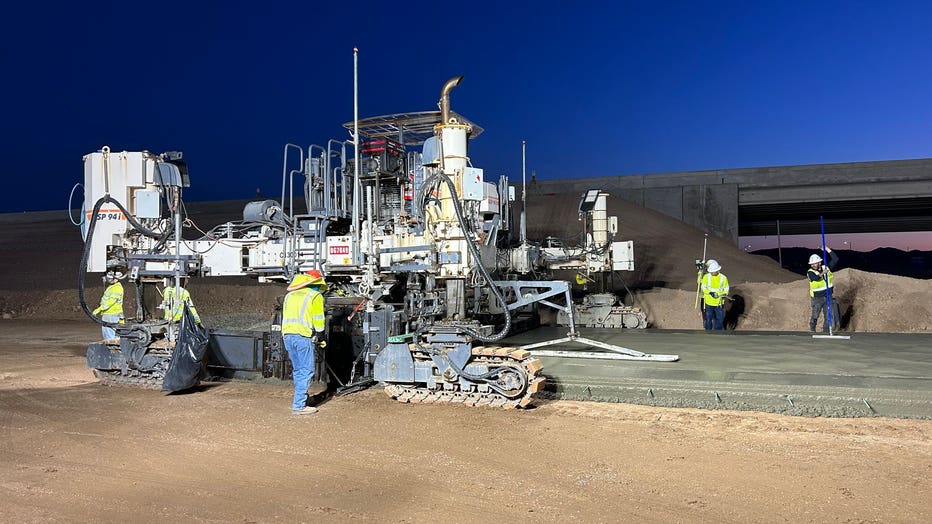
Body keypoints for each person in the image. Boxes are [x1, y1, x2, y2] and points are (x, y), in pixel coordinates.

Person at [281, 270, 328, 416]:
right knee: (307, 370)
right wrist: (321, 336)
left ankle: (302, 399)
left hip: (288, 336)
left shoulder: (289, 295)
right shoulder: (315, 296)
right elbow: (319, 319)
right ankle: (299, 405)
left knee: (298, 370)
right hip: (302, 336)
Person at [807, 247, 840, 333]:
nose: (813, 265)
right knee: (815, 314)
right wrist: (823, 273)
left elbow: (835, 259)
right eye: (812, 264)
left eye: (815, 263)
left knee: (828, 315)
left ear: (819, 262)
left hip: (828, 296)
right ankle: (812, 328)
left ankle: (825, 331)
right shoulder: (810, 272)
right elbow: (815, 278)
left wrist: (827, 249)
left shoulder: (826, 268)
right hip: (817, 298)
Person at [93, 271, 124, 340]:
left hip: (111, 314)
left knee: (109, 337)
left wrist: (98, 310)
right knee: (114, 336)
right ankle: (115, 348)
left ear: (116, 279)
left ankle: (111, 349)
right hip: (110, 314)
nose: (108, 280)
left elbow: (110, 302)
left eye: (110, 279)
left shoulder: (117, 288)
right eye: (108, 278)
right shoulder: (112, 287)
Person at [701, 259, 729, 331]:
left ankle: (718, 333)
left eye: (713, 271)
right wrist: (710, 293)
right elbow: (703, 287)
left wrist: (725, 293)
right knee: (708, 318)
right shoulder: (706, 277)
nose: (712, 273)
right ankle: (708, 332)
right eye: (711, 271)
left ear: (717, 270)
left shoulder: (723, 278)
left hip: (719, 303)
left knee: (719, 319)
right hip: (709, 302)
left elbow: (726, 288)